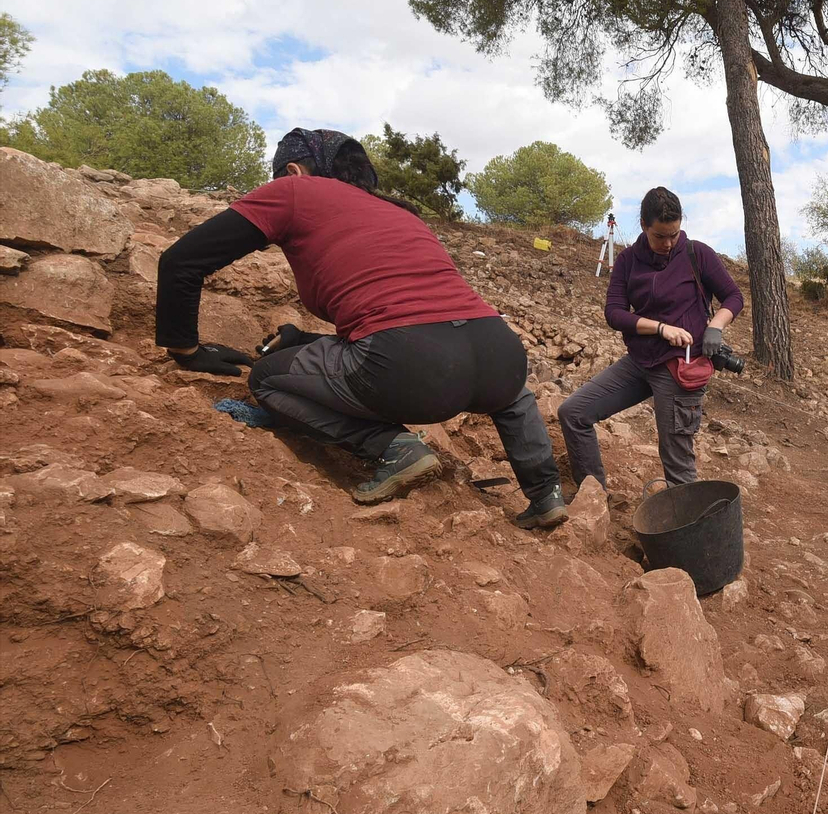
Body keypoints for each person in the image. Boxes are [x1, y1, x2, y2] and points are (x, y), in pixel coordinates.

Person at [154, 127, 570, 527]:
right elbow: (421, 313)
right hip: (500, 352)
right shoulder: (398, 213)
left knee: (267, 379)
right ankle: (545, 494)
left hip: (413, 366)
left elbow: (180, 262)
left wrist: (185, 349)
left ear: (294, 172)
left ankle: (393, 448)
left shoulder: (294, 190)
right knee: (511, 395)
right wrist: (304, 340)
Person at [559, 187, 743, 491]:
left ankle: (685, 532)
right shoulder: (630, 260)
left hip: (681, 369)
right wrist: (660, 328)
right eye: (661, 236)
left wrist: (716, 326)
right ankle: (592, 496)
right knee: (574, 413)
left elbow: (733, 297)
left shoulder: (698, 253)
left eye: (674, 234)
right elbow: (615, 313)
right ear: (644, 225)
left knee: (677, 462)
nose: (669, 243)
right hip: (640, 361)